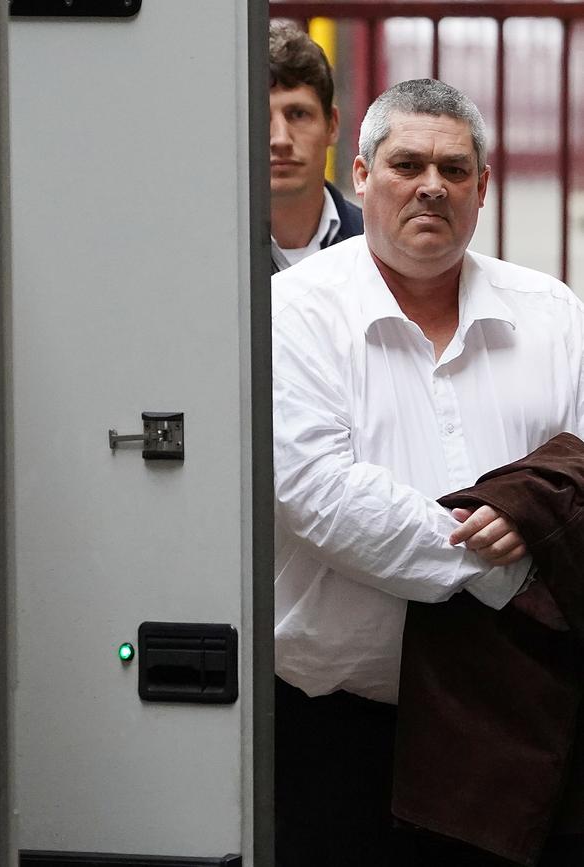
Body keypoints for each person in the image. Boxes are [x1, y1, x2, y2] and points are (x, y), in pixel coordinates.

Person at [272, 78, 584, 867]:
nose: (430, 187)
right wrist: (507, 561)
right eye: (407, 163)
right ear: (364, 175)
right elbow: (319, 493)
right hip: (339, 737)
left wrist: (535, 511)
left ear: (483, 188)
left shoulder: (552, 315)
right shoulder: (291, 313)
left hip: (516, 730)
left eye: (453, 169)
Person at [269, 20, 363, 273]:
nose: (280, 140)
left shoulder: (380, 247)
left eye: (298, 114)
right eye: (258, 118)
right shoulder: (201, 249)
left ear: (332, 125)